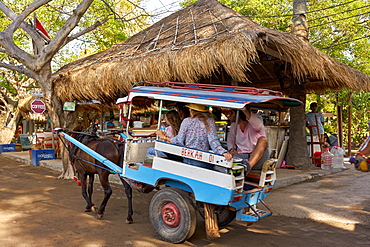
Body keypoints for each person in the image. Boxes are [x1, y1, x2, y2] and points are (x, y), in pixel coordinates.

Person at [156, 103, 232, 169]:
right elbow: (213, 141)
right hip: (202, 159)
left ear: (191, 110)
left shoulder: (186, 121)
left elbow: (179, 140)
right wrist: (223, 152)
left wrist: (164, 137)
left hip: (188, 157)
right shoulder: (210, 121)